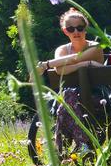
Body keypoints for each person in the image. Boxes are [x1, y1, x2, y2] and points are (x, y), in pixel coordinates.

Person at [37, 8, 106, 153]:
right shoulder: (62, 50)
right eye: (71, 29)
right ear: (65, 31)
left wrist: (46, 65)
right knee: (68, 96)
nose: (76, 32)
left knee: (66, 99)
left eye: (80, 28)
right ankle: (82, 145)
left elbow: (75, 58)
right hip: (70, 97)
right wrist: (86, 65)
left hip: (97, 96)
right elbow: (60, 70)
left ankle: (62, 150)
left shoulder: (95, 47)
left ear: (85, 29)